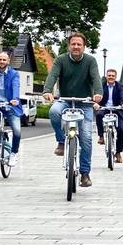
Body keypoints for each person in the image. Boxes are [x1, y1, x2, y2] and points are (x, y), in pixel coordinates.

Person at [43, 32, 103, 187]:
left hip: (85, 103)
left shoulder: (90, 61)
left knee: (86, 138)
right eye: (73, 44)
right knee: (54, 112)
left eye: (79, 44)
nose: (76, 47)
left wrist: (98, 93)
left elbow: (96, 78)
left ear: (84, 47)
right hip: (65, 100)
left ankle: (84, 173)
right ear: (69, 45)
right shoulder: (61, 60)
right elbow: (53, 75)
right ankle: (61, 142)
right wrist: (47, 90)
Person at [93, 68, 123, 163]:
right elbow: (96, 96)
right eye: (109, 75)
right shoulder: (102, 85)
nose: (111, 77)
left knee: (121, 130)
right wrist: (95, 103)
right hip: (104, 108)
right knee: (99, 115)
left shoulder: (120, 86)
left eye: (113, 76)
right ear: (106, 76)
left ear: (115, 77)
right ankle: (101, 136)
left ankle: (118, 153)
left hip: (117, 109)